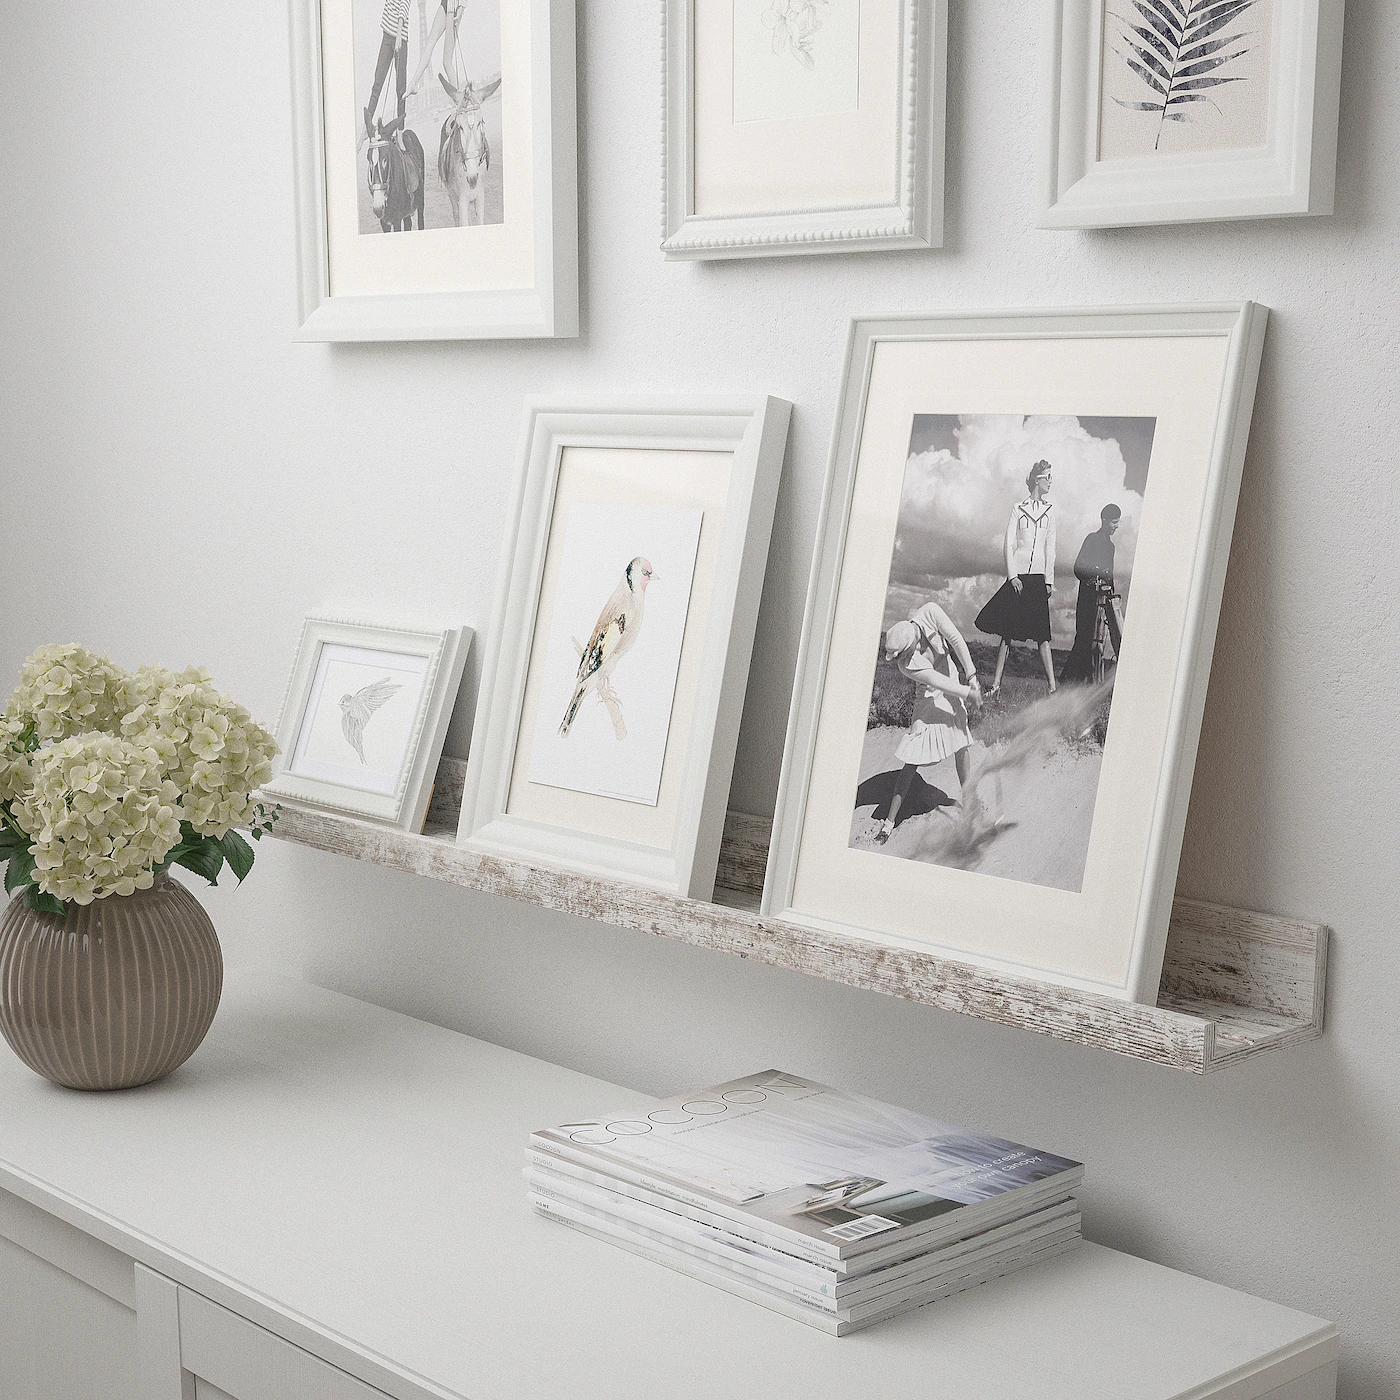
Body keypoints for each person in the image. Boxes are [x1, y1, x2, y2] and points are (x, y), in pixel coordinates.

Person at [874, 602, 982, 845]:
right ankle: (888, 823)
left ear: (912, 640)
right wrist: (968, 693)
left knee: (961, 744)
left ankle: (969, 802)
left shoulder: (931, 612)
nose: (903, 658)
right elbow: (934, 680)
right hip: (927, 697)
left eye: (905, 652)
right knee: (912, 756)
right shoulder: (905, 664)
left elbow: (956, 640)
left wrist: (972, 676)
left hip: (953, 682)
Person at [975, 459, 1057, 698]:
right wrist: (1012, 577)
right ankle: (995, 687)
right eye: (1047, 477)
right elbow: (1008, 544)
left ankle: (1053, 688)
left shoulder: (1050, 511)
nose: (1051, 481)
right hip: (1018, 577)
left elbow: (1051, 548)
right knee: (1007, 633)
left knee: (1043, 636)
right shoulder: (1018, 508)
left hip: (1038, 578)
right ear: (1036, 480)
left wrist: (1049, 580)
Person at [1062, 504, 1124, 684]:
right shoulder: (1092, 539)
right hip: (1088, 598)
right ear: (1104, 520)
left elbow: (1110, 574)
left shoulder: (1111, 547)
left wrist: (1111, 595)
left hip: (1104, 601)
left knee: (1097, 643)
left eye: (1117, 522)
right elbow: (1078, 568)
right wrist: (1095, 579)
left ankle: (1086, 681)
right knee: (1084, 638)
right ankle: (1069, 681)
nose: (1116, 526)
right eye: (1114, 522)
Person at [365, 0, 413, 139]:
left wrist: (398, 36)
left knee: (400, 89)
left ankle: (400, 132)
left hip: (400, 38)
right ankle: (366, 130)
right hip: (387, 35)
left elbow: (404, 6)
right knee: (377, 84)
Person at [408, 0, 468, 98]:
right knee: (429, 44)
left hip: (454, 6)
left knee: (446, 62)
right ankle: (414, 83)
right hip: (445, 4)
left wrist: (461, 7)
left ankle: (459, 100)